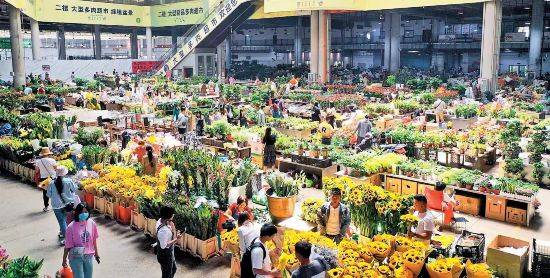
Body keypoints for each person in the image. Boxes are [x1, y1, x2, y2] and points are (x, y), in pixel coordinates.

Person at [63, 203, 100, 278]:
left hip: (88, 256)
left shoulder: (92, 223)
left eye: (86, 212)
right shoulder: (71, 227)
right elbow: (67, 245)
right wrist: (64, 260)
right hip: (76, 257)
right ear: (77, 213)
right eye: (81, 212)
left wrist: (96, 254)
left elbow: (94, 240)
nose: (84, 214)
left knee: (88, 276)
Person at [47, 166, 78, 245]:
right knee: (68, 221)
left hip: (56, 206)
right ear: (65, 173)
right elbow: (75, 189)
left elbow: (49, 195)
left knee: (62, 222)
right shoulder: (68, 181)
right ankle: (70, 235)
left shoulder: (51, 183)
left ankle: (67, 239)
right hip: (68, 205)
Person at [156, 206, 181, 278]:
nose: (173, 215)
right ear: (169, 216)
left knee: (173, 269)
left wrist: (173, 229)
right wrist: (176, 239)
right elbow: (164, 246)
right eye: (173, 214)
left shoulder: (160, 221)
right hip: (165, 255)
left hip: (168, 253)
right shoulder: (164, 231)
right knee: (167, 275)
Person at [35, 147, 58, 212]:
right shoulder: (52, 160)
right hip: (52, 177)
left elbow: (36, 171)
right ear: (48, 154)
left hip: (44, 178)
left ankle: (46, 207)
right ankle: (56, 206)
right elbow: (56, 169)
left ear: (42, 154)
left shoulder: (38, 161)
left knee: (45, 193)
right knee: (54, 191)